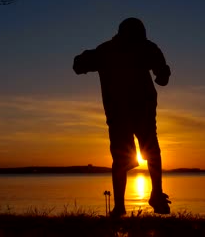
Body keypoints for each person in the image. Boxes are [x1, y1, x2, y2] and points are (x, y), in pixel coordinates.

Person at [73, 17, 171, 216]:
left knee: (137, 153)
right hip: (125, 110)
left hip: (130, 109)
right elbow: (78, 65)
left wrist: (163, 73)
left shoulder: (113, 50)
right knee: (138, 152)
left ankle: (144, 198)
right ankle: (130, 203)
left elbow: (162, 78)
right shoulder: (124, 49)